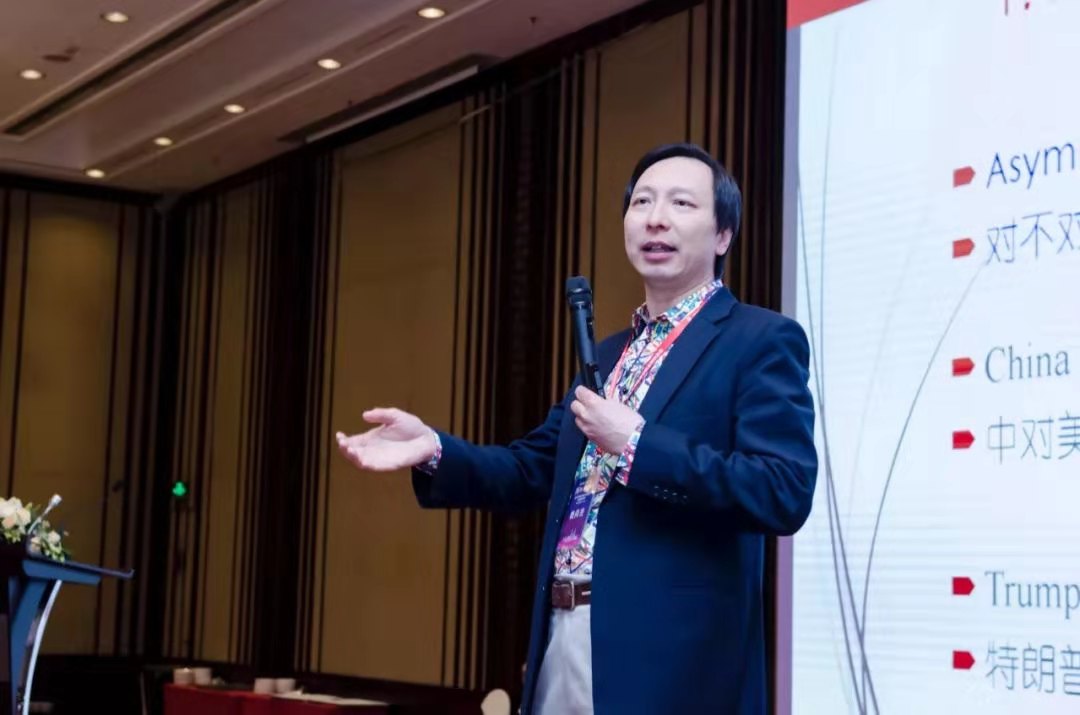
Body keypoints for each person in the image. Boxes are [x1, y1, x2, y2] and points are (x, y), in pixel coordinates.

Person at [335, 142, 817, 714]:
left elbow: (782, 490)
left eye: (681, 203)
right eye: (642, 202)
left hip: (673, 665)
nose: (655, 218)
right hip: (561, 638)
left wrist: (635, 444)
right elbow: (532, 468)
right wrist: (433, 449)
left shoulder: (759, 340)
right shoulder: (609, 355)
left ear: (723, 236)